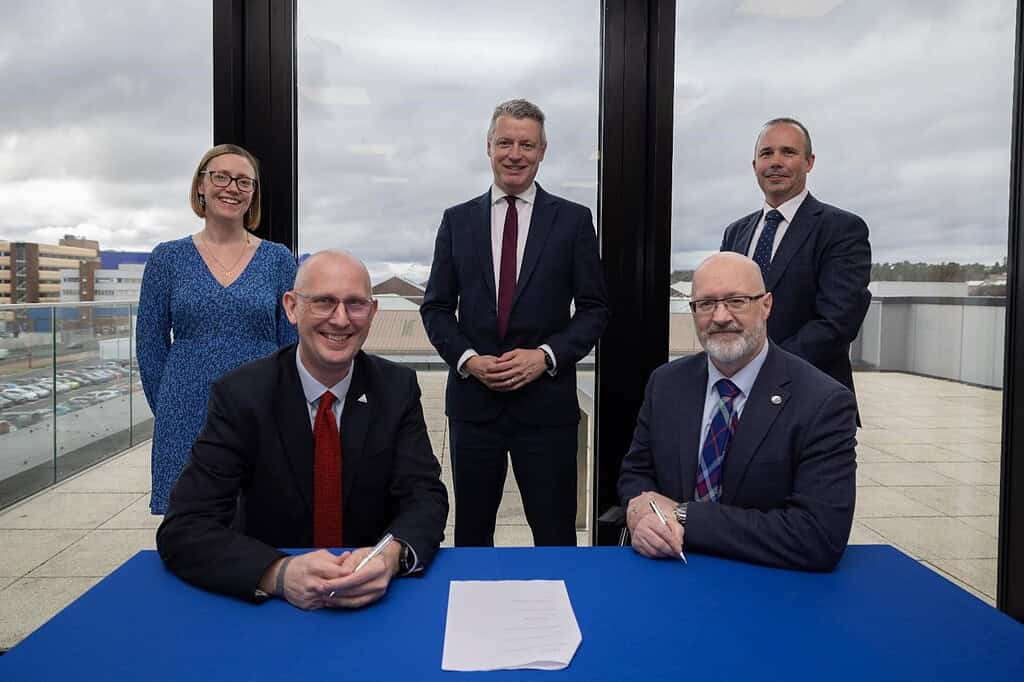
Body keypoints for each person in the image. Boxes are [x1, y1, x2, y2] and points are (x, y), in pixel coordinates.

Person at [156, 250, 448, 609]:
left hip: (374, 598)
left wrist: (390, 557)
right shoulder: (241, 395)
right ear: (292, 307)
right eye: (324, 302)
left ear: (372, 313)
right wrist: (278, 573)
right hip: (273, 610)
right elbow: (185, 525)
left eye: (355, 304)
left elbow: (425, 497)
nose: (340, 319)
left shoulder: (396, 388)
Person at [421, 99, 608, 547]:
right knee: (472, 538)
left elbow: (594, 309)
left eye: (527, 144)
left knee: (555, 536)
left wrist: (545, 357)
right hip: (473, 407)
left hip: (547, 410)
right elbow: (436, 308)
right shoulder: (457, 221)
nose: (515, 154)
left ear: (543, 151)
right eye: (505, 142)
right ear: (488, 146)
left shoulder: (573, 220)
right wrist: (469, 360)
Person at [618, 252, 857, 571]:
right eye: (706, 304)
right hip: (668, 570)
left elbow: (818, 536)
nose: (720, 317)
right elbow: (636, 473)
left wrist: (685, 515)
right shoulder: (666, 383)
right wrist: (640, 511)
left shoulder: (823, 402)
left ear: (766, 305)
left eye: (736, 301)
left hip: (765, 582)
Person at [137, 144, 297, 514]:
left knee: (262, 518)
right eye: (220, 177)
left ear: (253, 193)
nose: (232, 188)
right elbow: (149, 345)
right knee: (191, 527)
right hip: (185, 410)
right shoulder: (167, 258)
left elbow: (292, 344)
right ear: (200, 186)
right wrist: (169, 408)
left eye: (244, 181)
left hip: (261, 409)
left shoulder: (278, 259)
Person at [720, 118, 871, 397]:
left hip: (810, 396)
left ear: (809, 162)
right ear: (755, 165)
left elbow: (837, 322)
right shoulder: (735, 233)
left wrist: (764, 368)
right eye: (767, 153)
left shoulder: (841, 229)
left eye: (788, 152)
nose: (776, 162)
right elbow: (724, 307)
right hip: (740, 394)